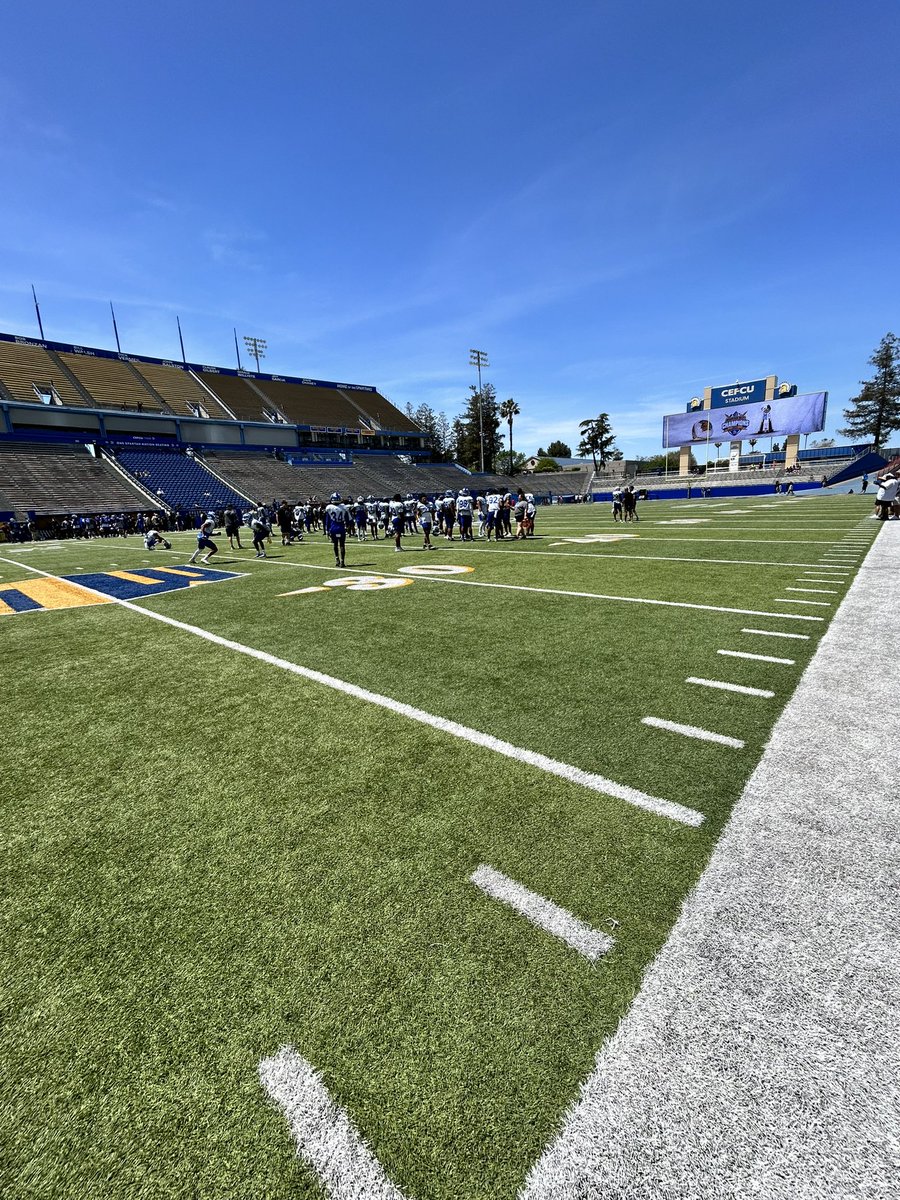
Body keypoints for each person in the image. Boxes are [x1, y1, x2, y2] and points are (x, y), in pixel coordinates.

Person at [325, 492, 350, 566]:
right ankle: (342, 561)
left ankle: (337, 560)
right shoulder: (343, 507)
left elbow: (327, 520)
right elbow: (347, 519)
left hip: (333, 528)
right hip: (341, 528)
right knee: (342, 545)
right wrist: (348, 527)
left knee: (335, 545)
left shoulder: (329, 507)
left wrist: (327, 530)